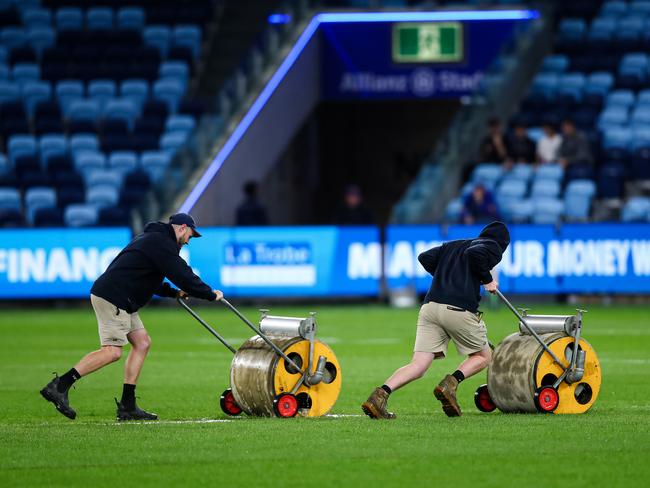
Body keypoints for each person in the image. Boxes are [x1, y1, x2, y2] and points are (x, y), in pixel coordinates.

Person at [39, 213, 223, 421]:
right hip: (114, 297)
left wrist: (173, 293)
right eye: (191, 234)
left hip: (122, 298)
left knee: (142, 342)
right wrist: (209, 294)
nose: (190, 240)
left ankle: (128, 405)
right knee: (112, 352)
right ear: (182, 228)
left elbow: (147, 277)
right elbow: (183, 275)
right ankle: (60, 385)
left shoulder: (154, 240)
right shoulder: (162, 243)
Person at [361, 221, 510, 419]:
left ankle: (379, 396)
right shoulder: (492, 246)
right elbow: (475, 255)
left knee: (419, 365)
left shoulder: (453, 245)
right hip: (458, 308)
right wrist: (487, 280)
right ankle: (451, 384)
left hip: (430, 308)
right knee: (484, 356)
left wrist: (444, 276)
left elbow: (425, 257)